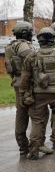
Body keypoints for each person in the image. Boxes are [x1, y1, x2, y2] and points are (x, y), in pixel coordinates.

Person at [19, 27, 55, 160]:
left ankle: (33, 151)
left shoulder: (31, 56)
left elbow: (25, 78)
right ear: (53, 39)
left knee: (37, 122)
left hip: (38, 95)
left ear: (39, 40)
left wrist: (23, 94)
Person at [4, 21, 35, 155]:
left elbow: (9, 67)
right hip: (28, 83)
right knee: (38, 113)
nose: (31, 34)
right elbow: (33, 59)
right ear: (24, 33)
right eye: (30, 32)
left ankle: (22, 145)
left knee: (21, 114)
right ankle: (36, 143)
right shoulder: (23, 45)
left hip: (17, 82)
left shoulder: (9, 47)